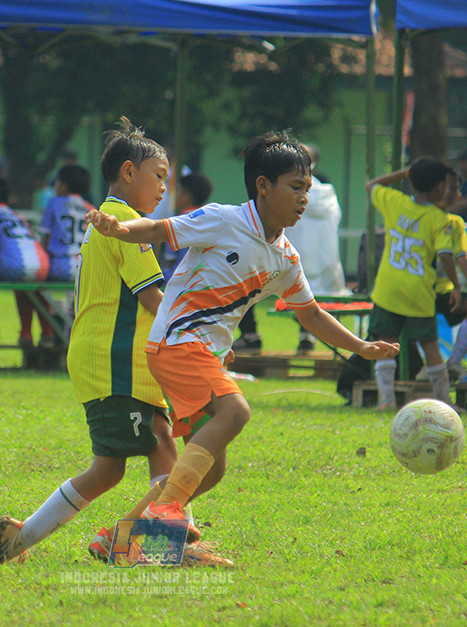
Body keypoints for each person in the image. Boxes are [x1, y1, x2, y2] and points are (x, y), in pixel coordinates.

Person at [80, 131, 398, 542]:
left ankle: (117, 539)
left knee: (210, 471)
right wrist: (120, 230)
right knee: (236, 412)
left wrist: (359, 346)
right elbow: (159, 228)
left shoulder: (285, 257)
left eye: (308, 188)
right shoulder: (223, 219)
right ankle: (166, 510)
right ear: (263, 187)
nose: (305, 197)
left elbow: (312, 314)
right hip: (177, 343)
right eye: (296, 187)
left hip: (201, 354)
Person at [0, 117, 183, 564]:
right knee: (164, 448)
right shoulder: (126, 223)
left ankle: (20, 538)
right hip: (115, 361)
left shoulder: (111, 221)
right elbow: (153, 297)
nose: (163, 189)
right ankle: (161, 544)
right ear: (128, 172)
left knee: (111, 468)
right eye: (159, 177)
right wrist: (200, 325)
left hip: (117, 360)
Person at [366, 158, 460, 410]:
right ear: (440, 187)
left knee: (385, 342)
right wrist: (457, 286)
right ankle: (444, 402)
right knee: (430, 345)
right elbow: (445, 256)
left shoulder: (395, 202)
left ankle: (386, 400)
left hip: (388, 289)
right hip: (418, 293)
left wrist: (403, 173)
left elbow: (371, 185)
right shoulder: (439, 219)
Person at [284, 143, 348, 352]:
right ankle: (307, 336)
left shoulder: (289, 192)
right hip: (325, 263)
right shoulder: (328, 194)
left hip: (297, 258)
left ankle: (305, 336)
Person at [0, 176, 54, 347]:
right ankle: (46, 332)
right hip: (42, 265)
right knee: (32, 286)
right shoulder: (17, 216)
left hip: (13, 267)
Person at [434, 166, 467, 381]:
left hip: (445, 291)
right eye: (445, 187)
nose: (450, 192)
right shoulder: (424, 217)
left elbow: (462, 256)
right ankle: (428, 367)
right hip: (419, 291)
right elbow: (445, 256)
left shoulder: (456, 223)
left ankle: (453, 363)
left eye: (454, 188)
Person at [39, 163, 95, 282]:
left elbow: (45, 236)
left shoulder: (54, 203)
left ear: (63, 186)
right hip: (85, 267)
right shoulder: (90, 208)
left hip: (59, 265)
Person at [161, 172, 212, 281]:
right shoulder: (210, 221)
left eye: (178, 191)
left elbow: (170, 261)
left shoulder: (176, 223)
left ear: (186, 196)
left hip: (179, 282)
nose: (176, 195)